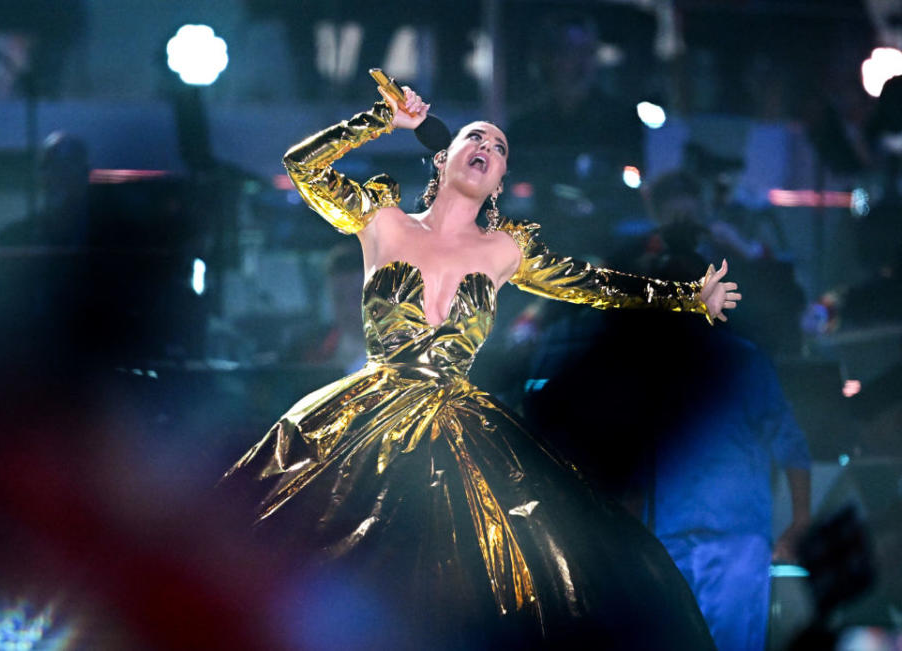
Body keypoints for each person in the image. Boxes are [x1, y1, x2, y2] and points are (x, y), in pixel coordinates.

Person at [219, 85, 739, 649]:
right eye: (476, 136)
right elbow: (301, 165)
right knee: (314, 547)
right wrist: (378, 120)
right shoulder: (382, 220)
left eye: (500, 147)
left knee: (516, 564)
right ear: (443, 156)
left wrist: (688, 294)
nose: (487, 147)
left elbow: (595, 285)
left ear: (497, 182)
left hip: (460, 426)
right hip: (363, 418)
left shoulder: (504, 250)